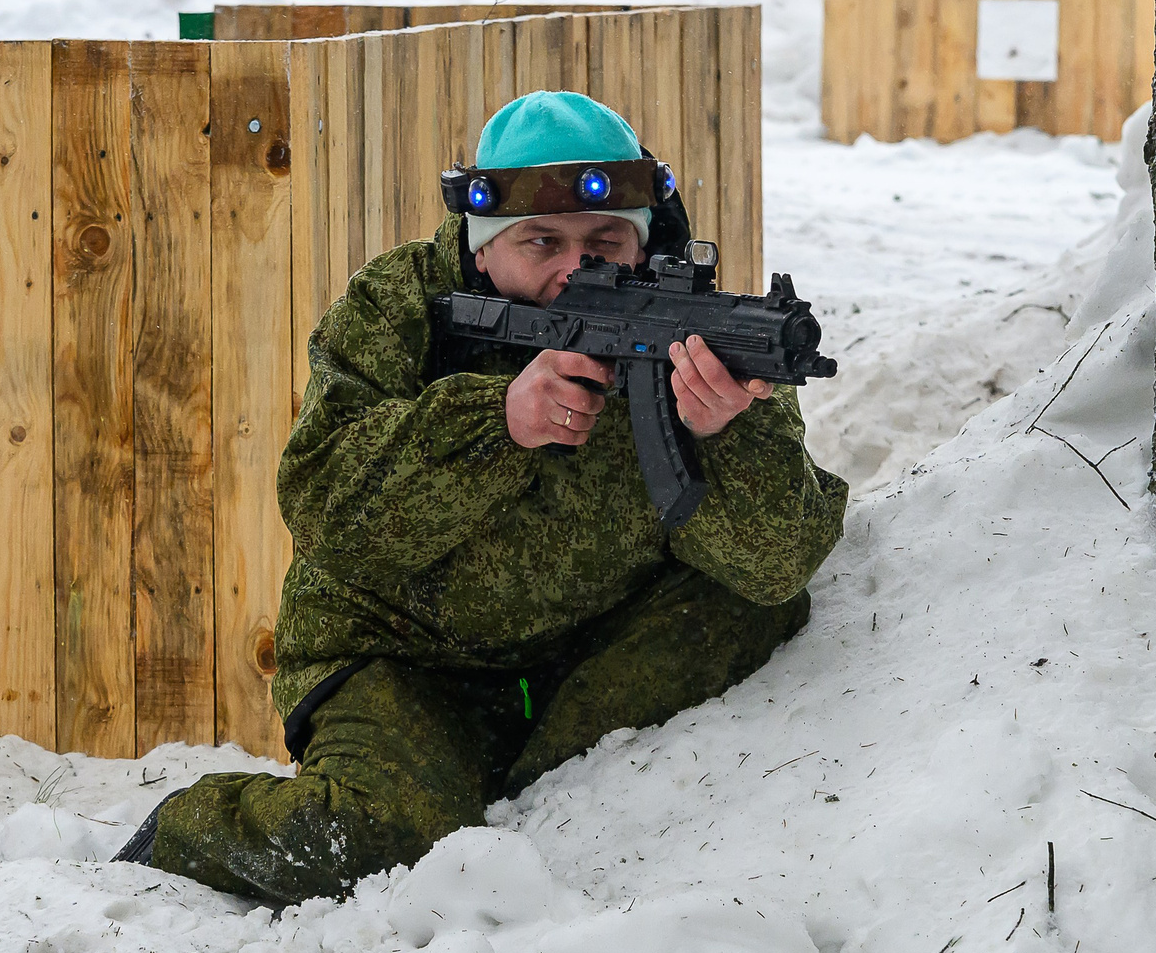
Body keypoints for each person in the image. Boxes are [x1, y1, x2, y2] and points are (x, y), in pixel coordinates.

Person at [118, 91, 848, 904]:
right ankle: (190, 826)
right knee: (387, 840)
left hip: (582, 656)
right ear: (484, 245)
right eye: (543, 242)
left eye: (607, 240)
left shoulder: (697, 332)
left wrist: (728, 432)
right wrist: (496, 422)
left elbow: (776, 565)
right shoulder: (399, 307)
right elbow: (326, 505)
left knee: (753, 612)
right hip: (403, 660)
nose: (577, 267)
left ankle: (527, 797)